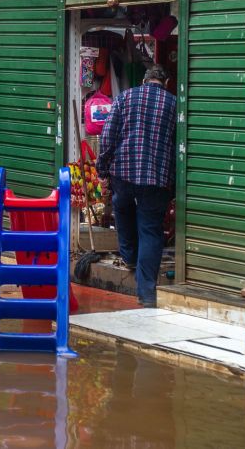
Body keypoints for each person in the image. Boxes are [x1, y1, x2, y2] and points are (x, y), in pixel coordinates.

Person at [96, 64, 176, 308]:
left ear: (144, 80)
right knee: (150, 230)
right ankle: (147, 295)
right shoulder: (174, 104)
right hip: (156, 177)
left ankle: (130, 257)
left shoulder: (125, 97)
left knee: (122, 209)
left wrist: (102, 168)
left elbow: (108, 136)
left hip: (124, 173)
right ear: (167, 81)